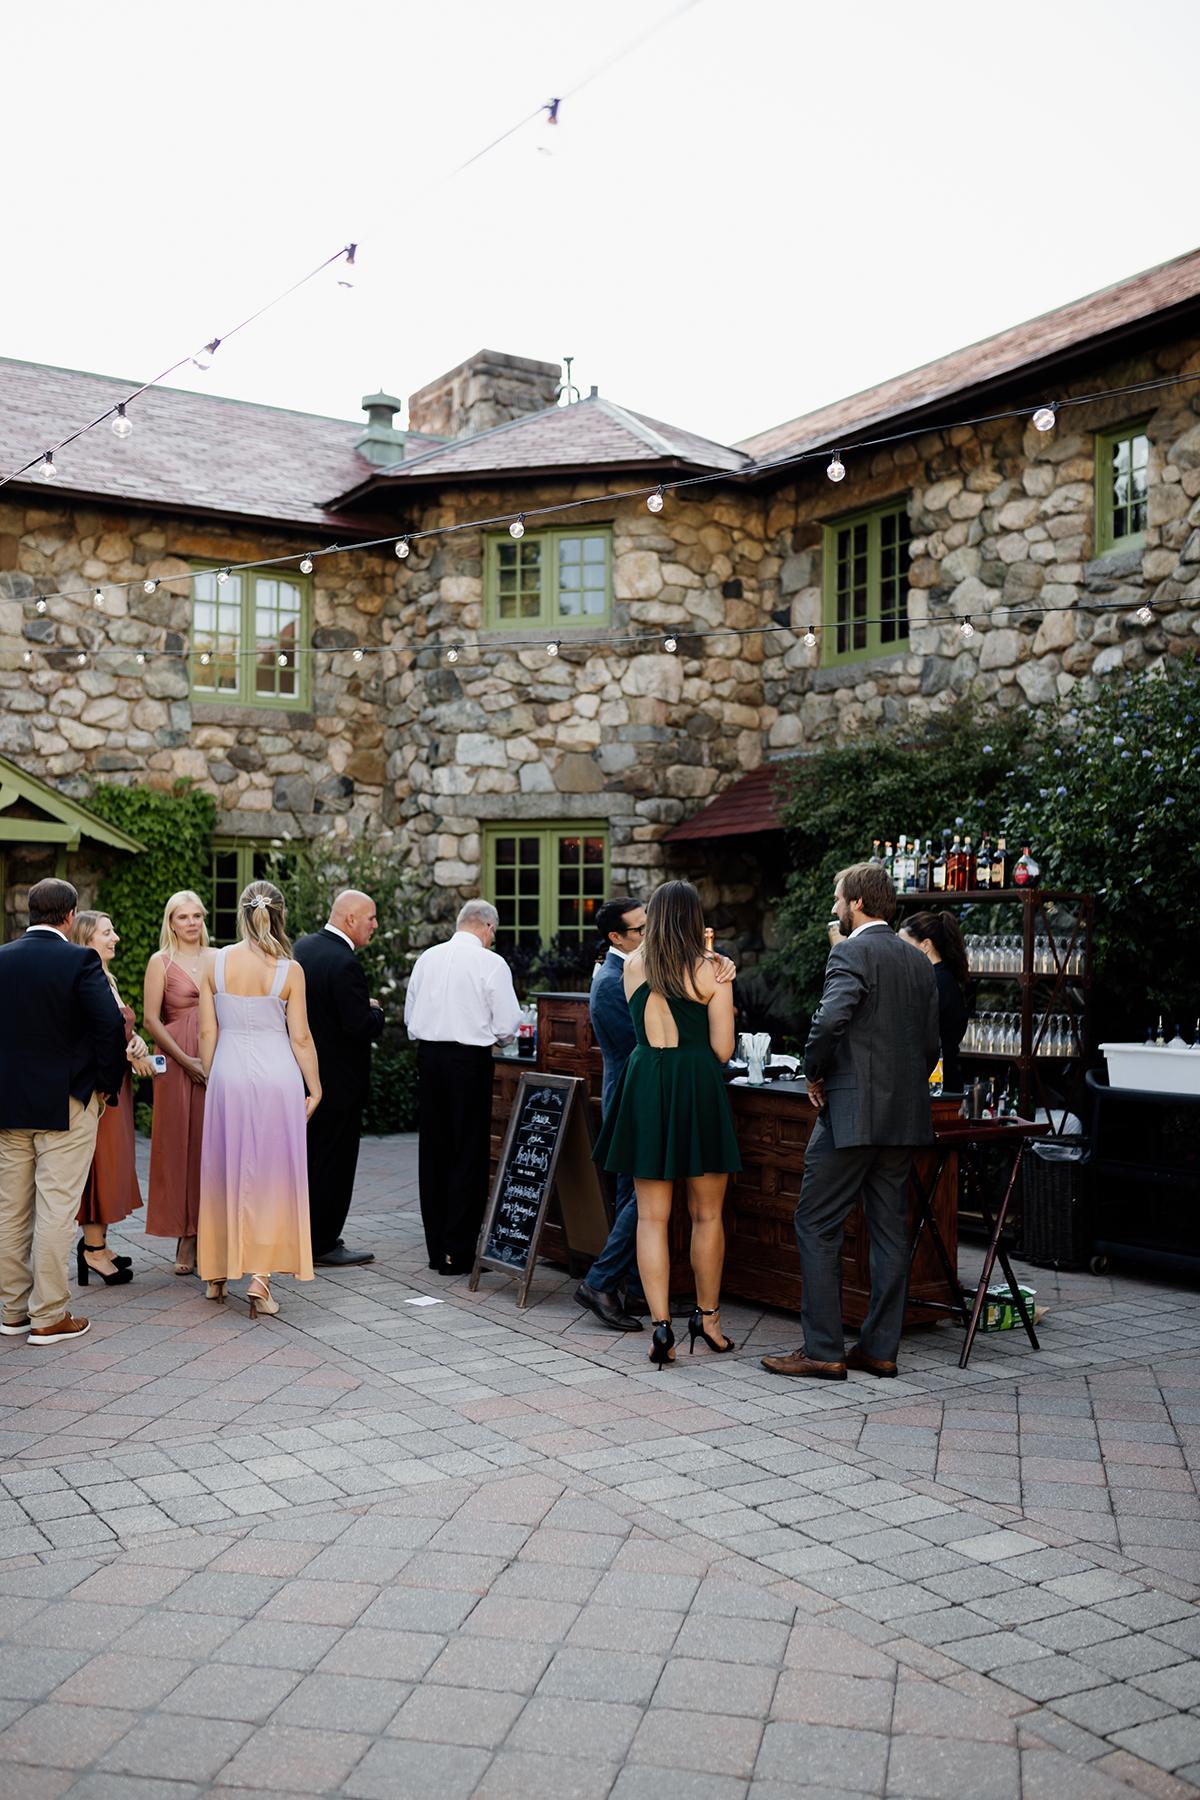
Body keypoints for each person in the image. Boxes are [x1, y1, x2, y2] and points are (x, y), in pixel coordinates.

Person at [762, 863, 940, 1384]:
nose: (834, 907)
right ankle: (880, 1350)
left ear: (857, 902)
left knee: (816, 1223)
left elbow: (830, 1020)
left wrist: (815, 1072)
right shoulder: (918, 961)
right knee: (889, 1233)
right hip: (904, 1113)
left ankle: (823, 1349)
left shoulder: (850, 951)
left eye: (839, 898)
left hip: (849, 1112)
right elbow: (931, 1044)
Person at [593, 880, 741, 1370]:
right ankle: (709, 1319)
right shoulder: (712, 970)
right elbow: (723, 1050)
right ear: (694, 917)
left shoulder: (632, 965)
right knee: (706, 1215)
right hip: (695, 1084)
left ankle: (661, 1326)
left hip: (645, 1083)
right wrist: (715, 964)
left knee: (651, 1218)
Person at [0, 878, 127, 1345]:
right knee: (56, 1209)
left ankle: (13, 1311)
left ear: (31, 913)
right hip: (68, 1101)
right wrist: (104, 1090)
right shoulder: (80, 959)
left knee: (11, 1211)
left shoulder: (1, 958)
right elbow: (109, 1026)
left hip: (8, 1104)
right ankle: (49, 1314)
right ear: (70, 915)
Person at [197, 881, 320, 1318]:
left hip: (228, 1072)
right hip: (277, 1077)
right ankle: (260, 1278)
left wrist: (211, 1075)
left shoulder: (215, 963)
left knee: (223, 1167)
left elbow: (207, 1032)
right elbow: (301, 1037)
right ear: (280, 915)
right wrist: (316, 1086)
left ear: (240, 914)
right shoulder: (290, 970)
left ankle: (215, 1274)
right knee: (271, 1174)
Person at [404, 899, 521, 1276]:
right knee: (467, 1154)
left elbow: (409, 1016)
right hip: (468, 1062)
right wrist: (498, 1038)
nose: (492, 940)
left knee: (433, 1153)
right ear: (487, 927)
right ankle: (460, 1253)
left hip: (429, 1059)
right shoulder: (491, 963)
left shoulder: (427, 959)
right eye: (494, 933)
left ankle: (438, 1250)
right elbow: (507, 1025)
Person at [293, 890, 385, 1266]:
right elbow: (358, 1025)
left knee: (310, 1160)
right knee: (335, 1164)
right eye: (371, 918)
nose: (375, 925)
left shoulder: (303, 948)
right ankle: (324, 1243)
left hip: (304, 1077)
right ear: (350, 920)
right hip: (340, 1083)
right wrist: (375, 1012)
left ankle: (302, 1235)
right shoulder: (344, 961)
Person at [70, 912, 156, 1287]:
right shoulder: (83, 981)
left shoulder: (107, 979)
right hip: (102, 1091)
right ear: (87, 939)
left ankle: (99, 1245)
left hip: (119, 1084)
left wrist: (135, 1044)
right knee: (99, 1167)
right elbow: (89, 1036)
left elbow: (116, 1030)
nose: (116, 938)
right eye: (107, 933)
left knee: (110, 1164)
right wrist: (125, 1050)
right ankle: (91, 1248)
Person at [574, 898, 647, 1331]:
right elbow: (641, 1045)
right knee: (645, 1194)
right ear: (615, 938)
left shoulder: (633, 972)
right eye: (640, 930)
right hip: (631, 1098)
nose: (648, 934)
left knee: (631, 1195)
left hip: (634, 1094)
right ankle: (599, 1282)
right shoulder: (609, 983)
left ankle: (636, 1289)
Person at [144, 891, 210, 1275]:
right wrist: (186, 1062)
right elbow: (152, 1020)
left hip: (216, 1057)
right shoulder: (161, 962)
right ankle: (185, 1235)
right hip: (175, 1062)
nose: (191, 923)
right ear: (171, 922)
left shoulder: (218, 957)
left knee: (209, 1143)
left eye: (197, 916)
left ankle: (208, 1230)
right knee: (177, 1147)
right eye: (183, 917)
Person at [900, 910, 970, 1094]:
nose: (899, 952)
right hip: (943, 1077)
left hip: (936, 1082)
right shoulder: (944, 976)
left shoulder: (933, 981)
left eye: (904, 946)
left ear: (925, 945)